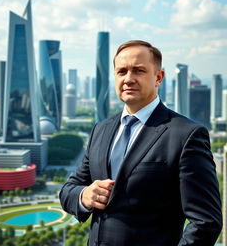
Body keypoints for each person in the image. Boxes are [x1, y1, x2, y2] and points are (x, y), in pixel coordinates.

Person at [60, 40, 222, 246]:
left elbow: (206, 222)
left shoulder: (186, 135)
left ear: (158, 78)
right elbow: (68, 189)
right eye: (121, 71)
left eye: (138, 70)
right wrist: (85, 196)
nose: (128, 79)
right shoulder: (100, 130)